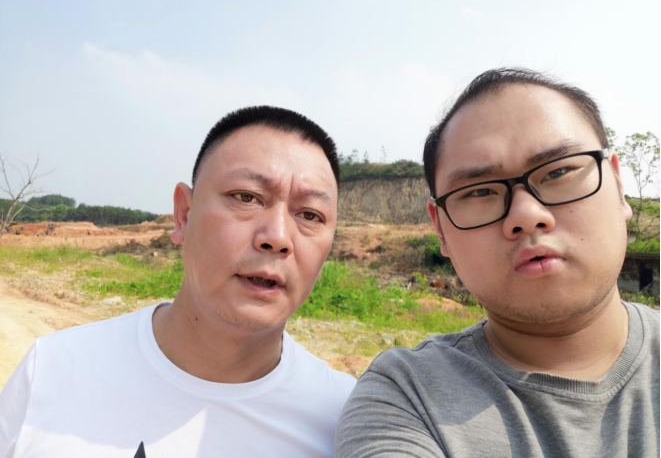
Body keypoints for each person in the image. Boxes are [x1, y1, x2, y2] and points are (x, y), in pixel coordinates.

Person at [335, 68, 659, 457]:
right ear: (440, 230)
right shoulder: (405, 397)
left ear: (619, 187)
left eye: (559, 171)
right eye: (480, 192)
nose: (526, 215)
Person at [0, 106, 356, 457]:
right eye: (247, 197)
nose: (277, 237)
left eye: (310, 215)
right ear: (184, 214)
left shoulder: (347, 422)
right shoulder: (52, 371)